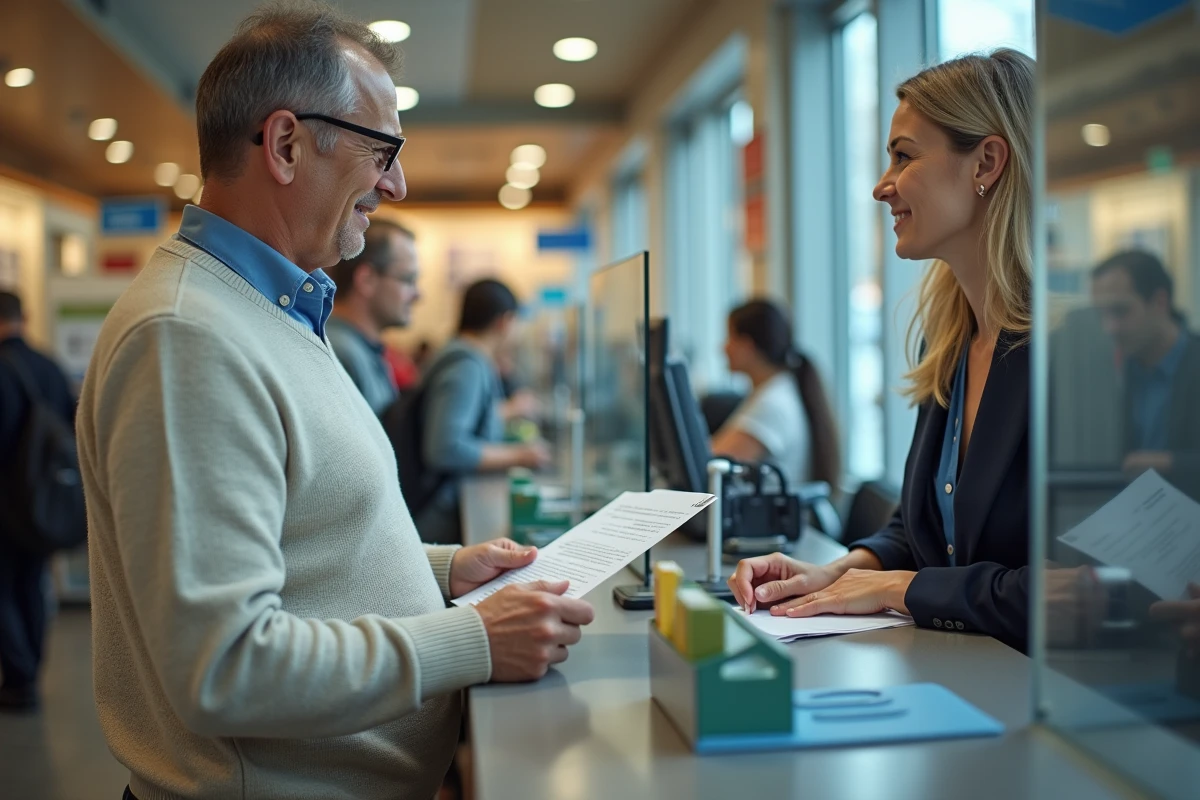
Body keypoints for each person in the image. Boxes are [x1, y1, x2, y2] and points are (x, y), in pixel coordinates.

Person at [75, 6, 592, 800]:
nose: (396, 184)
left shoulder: (271, 310)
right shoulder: (187, 338)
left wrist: (443, 571)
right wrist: (473, 640)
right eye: (381, 150)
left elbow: (299, 540)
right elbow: (224, 666)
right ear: (286, 144)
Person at [730, 49, 1035, 653]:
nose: (881, 186)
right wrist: (835, 573)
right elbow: (923, 530)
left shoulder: (1069, 356)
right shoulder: (948, 341)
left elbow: (1088, 589)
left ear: (987, 162)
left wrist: (901, 588)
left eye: (904, 156)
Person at [411, 278, 550, 545]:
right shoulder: (467, 366)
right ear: (504, 321)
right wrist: (520, 455)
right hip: (439, 515)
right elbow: (446, 448)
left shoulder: (463, 355)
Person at [0, 291, 75, 712]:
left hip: (6, 503)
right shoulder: (50, 366)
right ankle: (30, 670)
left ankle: (20, 677)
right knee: (31, 582)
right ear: (24, 317)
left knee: (4, 589)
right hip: (44, 502)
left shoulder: (2, 368)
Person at [1090, 250, 1200, 495]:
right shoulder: (1114, 371)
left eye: (1120, 311)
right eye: (1101, 314)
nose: (1109, 328)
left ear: (1159, 302)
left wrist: (1170, 464)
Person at [711, 299, 841, 492]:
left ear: (748, 345)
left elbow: (710, 467)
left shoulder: (772, 405)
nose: (723, 348)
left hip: (774, 511)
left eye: (730, 337)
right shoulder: (777, 389)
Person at [326, 219, 421, 414]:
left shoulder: (363, 350)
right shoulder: (341, 353)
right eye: (408, 280)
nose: (418, 295)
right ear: (366, 279)